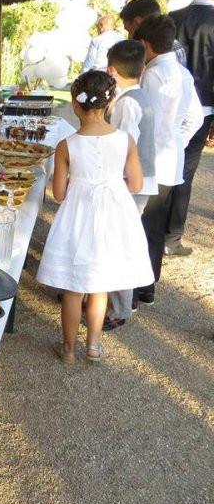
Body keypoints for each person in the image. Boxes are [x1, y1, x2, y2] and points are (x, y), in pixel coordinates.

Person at [36, 71, 153, 364]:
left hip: (78, 214)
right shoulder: (125, 140)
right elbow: (137, 184)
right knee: (100, 284)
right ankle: (94, 346)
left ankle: (68, 349)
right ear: (110, 100)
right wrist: (111, 186)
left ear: (75, 104)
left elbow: (60, 194)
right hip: (113, 215)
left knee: (74, 288)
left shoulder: (66, 145)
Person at [133, 15, 203, 305]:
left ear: (145, 44)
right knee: (155, 227)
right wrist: (178, 140)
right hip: (169, 160)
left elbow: (142, 118)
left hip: (149, 159)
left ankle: (134, 290)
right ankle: (148, 287)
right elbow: (196, 117)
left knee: (138, 225)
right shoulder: (183, 74)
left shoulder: (151, 74)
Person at [103, 40, 158, 330]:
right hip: (143, 180)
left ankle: (118, 308)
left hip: (129, 183)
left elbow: (120, 147)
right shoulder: (144, 95)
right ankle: (116, 302)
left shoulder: (126, 104)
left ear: (111, 70)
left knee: (117, 243)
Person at [167, 0, 214, 255]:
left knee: (163, 163)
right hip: (205, 106)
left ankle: (155, 227)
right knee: (186, 169)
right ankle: (172, 237)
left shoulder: (172, 18)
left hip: (170, 103)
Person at [120, 0, 187, 65]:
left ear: (137, 22)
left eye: (128, 30)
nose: (129, 37)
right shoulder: (175, 47)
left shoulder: (152, 54)